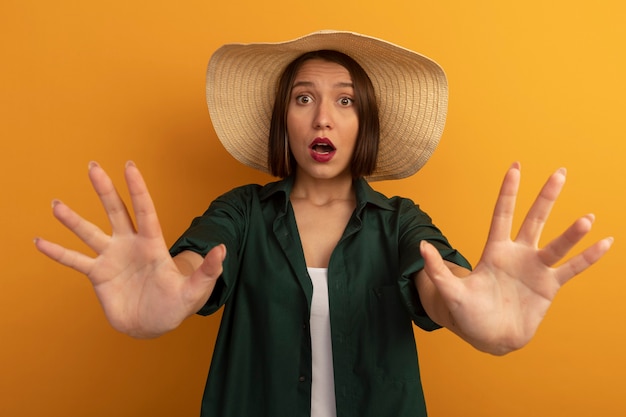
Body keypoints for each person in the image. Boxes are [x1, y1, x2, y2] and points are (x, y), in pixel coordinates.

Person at [34, 31, 613, 417]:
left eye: (345, 101)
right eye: (303, 98)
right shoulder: (242, 212)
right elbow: (191, 268)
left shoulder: (398, 222)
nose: (322, 117)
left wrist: (475, 311)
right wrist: (166, 294)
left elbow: (441, 288)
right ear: (282, 119)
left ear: (365, 123)